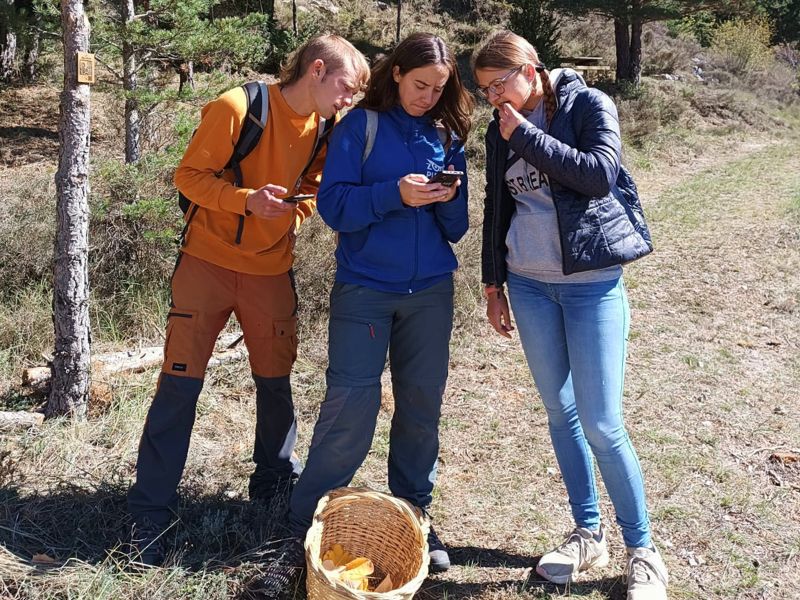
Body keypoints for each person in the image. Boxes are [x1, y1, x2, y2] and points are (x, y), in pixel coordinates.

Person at [126, 34, 370, 567]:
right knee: (179, 383)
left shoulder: (326, 126)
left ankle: (273, 488)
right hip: (205, 267)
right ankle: (149, 512)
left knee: (275, 382)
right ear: (318, 70)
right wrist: (246, 203)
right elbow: (188, 177)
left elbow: (314, 185)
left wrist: (291, 215)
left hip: (270, 273)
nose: (348, 101)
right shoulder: (238, 106)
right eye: (346, 89)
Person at [252, 32, 473, 596]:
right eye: (420, 84)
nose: (428, 96)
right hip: (366, 289)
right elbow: (335, 208)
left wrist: (449, 198)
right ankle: (306, 521)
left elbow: (458, 228)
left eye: (438, 88)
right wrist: (394, 195)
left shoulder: (447, 134)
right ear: (395, 73)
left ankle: (415, 515)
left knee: (422, 401)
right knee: (353, 400)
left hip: (429, 292)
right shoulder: (360, 128)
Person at [472, 31, 667, 600]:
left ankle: (643, 550)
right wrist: (493, 282)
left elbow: (598, 175)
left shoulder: (588, 104)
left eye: (498, 83)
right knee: (561, 415)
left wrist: (527, 136)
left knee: (603, 422)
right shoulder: (500, 127)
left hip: (591, 287)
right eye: (484, 89)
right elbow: (497, 205)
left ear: (530, 68)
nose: (492, 98)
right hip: (529, 286)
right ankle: (588, 532)